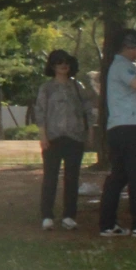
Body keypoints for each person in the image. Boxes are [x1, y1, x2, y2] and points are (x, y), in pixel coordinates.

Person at [35, 49, 93, 231]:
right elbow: (40, 112)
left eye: (66, 62)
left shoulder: (78, 86)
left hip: (75, 137)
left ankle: (69, 216)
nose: (63, 65)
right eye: (59, 62)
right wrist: (43, 136)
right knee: (50, 177)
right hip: (53, 138)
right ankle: (47, 216)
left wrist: (90, 132)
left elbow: (88, 110)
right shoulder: (46, 88)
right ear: (52, 66)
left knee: (72, 178)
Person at [99, 29, 136, 237]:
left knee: (118, 177)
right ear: (128, 45)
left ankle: (107, 224)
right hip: (131, 128)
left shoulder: (125, 66)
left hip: (120, 128)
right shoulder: (121, 65)